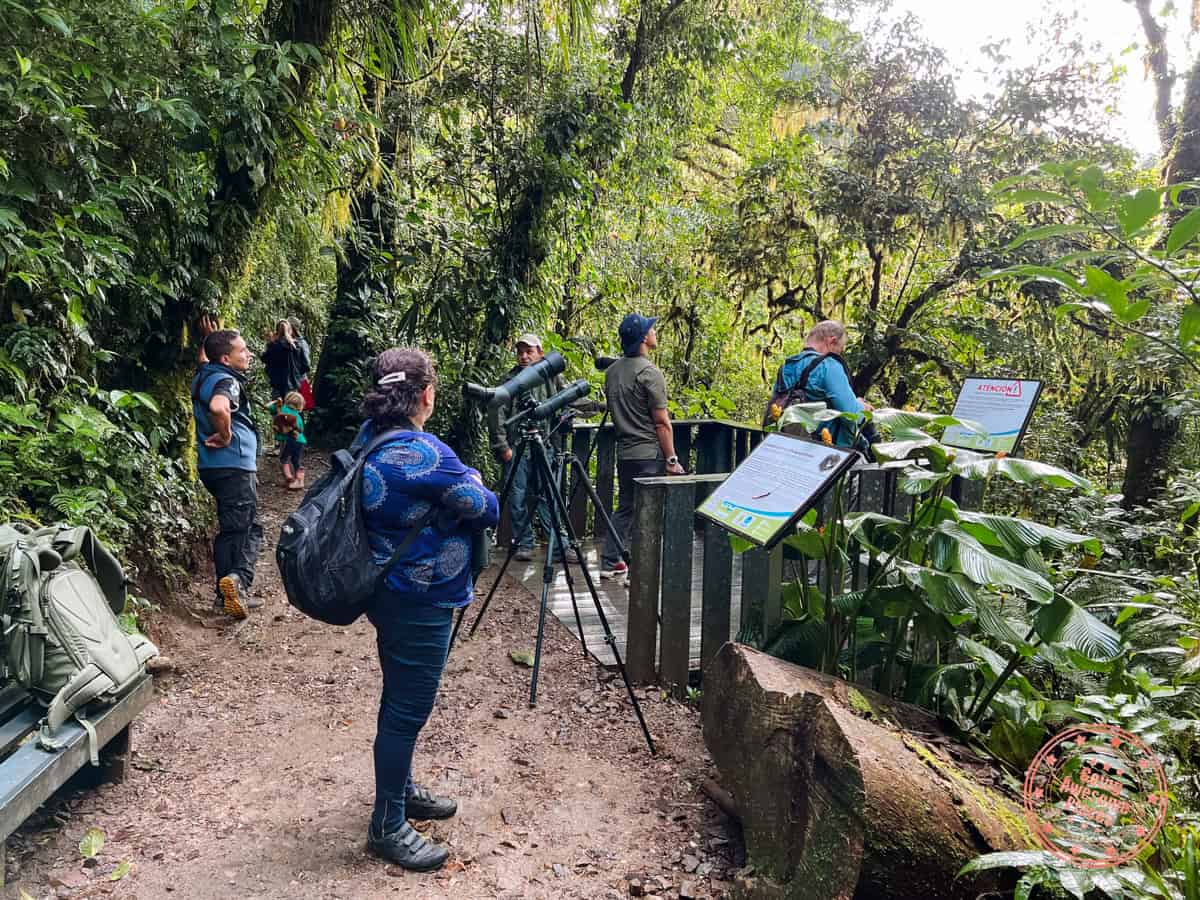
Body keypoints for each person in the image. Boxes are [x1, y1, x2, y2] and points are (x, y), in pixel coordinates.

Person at [357, 347, 499, 872]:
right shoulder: (426, 453)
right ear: (426, 395)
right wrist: (478, 481)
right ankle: (388, 826)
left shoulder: (370, 438)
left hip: (386, 590)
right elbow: (488, 508)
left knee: (399, 699)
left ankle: (401, 789)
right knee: (408, 709)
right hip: (420, 598)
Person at [599, 314, 685, 581]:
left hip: (625, 453)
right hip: (648, 454)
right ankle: (642, 570)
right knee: (648, 513)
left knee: (625, 507)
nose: (654, 332)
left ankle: (611, 560)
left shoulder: (613, 372)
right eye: (651, 329)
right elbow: (661, 422)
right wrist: (671, 460)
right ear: (643, 338)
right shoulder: (649, 373)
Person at [191, 329, 264, 618]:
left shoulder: (205, 374)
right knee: (245, 529)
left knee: (241, 526)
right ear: (225, 358)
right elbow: (219, 407)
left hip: (213, 466)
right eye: (242, 350)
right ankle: (236, 585)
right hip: (233, 463)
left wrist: (208, 340)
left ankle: (228, 591)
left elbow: (205, 360)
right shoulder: (225, 380)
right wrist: (226, 434)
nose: (248, 354)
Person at [487, 333, 570, 562]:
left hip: (545, 443)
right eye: (520, 352)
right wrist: (502, 446)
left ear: (540, 353)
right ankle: (524, 542)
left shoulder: (552, 377)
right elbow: (497, 413)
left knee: (549, 495)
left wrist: (595, 406)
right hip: (518, 445)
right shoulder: (510, 380)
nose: (524, 356)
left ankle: (559, 545)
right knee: (517, 495)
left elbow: (566, 399)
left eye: (529, 351)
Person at [766, 320, 875, 450]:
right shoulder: (828, 365)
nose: (839, 354)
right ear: (831, 341)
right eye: (840, 350)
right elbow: (852, 415)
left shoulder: (787, 366)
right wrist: (862, 407)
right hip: (822, 451)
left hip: (785, 445)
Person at [267, 390, 307, 489]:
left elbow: (268, 407)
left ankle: (289, 478)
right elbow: (301, 429)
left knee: (284, 459)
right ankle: (300, 481)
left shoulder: (282, 409)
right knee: (296, 460)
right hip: (300, 441)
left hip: (289, 440)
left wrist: (276, 402)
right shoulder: (298, 416)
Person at [262, 319, 300, 403]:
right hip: (292, 385)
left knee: (278, 411)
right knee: (291, 411)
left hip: (277, 385)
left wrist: (270, 343)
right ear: (290, 331)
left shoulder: (274, 346)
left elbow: (264, 358)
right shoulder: (295, 346)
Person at [287, 315, 314, 409]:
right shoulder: (287, 343)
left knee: (298, 408)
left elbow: (306, 365)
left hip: (299, 381)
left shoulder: (301, 343)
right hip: (293, 381)